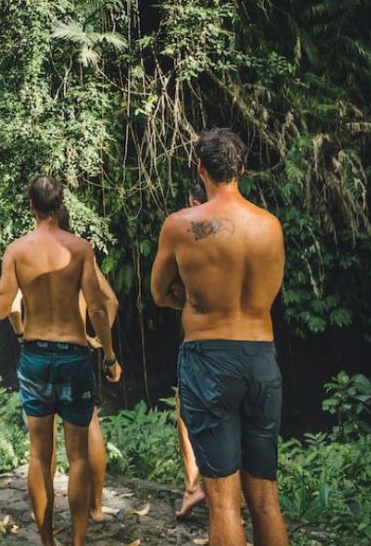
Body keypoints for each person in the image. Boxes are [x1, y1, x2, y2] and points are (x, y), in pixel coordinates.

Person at [151, 129, 288, 546]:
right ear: (242, 169)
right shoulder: (271, 225)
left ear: (200, 168)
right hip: (262, 359)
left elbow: (159, 293)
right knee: (265, 499)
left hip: (210, 359)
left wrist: (195, 303)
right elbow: (269, 292)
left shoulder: (180, 226)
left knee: (225, 503)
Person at [0, 175, 122, 546]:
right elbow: (98, 306)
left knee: (38, 454)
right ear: (60, 204)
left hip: (35, 356)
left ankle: (47, 540)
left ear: (31, 206)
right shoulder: (81, 248)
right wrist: (109, 355)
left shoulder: (16, 251)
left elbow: (3, 308)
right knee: (78, 456)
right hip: (74, 355)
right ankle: (79, 541)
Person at [175, 182, 207, 521]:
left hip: (198, 338)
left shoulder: (182, 230)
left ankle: (193, 486)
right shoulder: (248, 227)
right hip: (246, 344)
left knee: (186, 414)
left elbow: (160, 290)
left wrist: (187, 305)